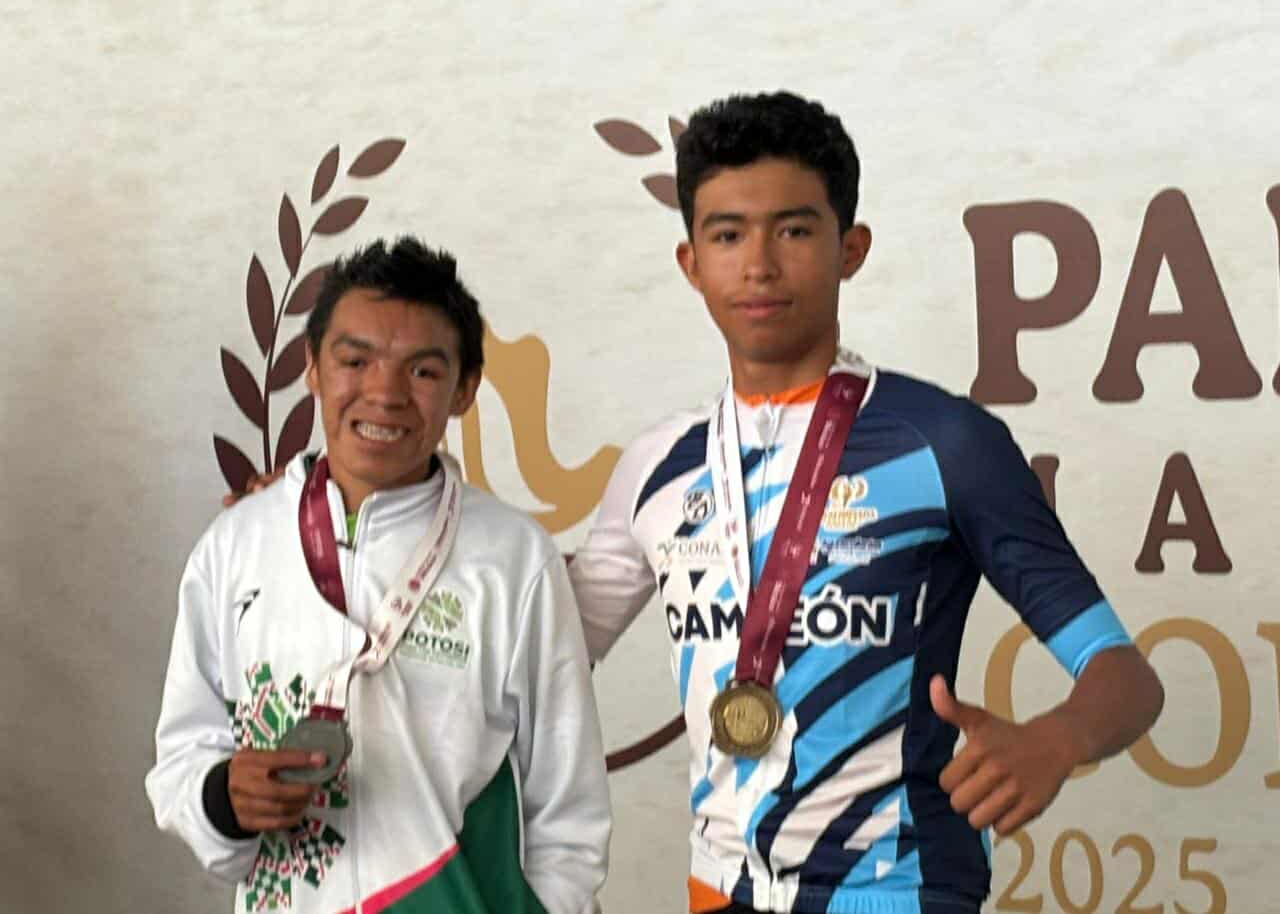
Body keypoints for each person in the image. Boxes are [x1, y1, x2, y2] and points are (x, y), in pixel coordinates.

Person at [566, 92, 1164, 914]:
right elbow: (538, 655)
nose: (759, 265)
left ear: (851, 249)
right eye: (728, 235)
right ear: (690, 262)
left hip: (897, 888)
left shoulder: (946, 441)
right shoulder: (656, 467)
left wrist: (1058, 739)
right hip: (718, 888)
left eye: (794, 230)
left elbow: (1128, 679)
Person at [148, 237, 610, 914]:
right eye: (355, 361)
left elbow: (568, 812)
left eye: (422, 371)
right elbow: (184, 749)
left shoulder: (515, 559)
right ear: (312, 368)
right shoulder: (236, 544)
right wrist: (223, 799)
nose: (385, 394)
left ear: (465, 389)